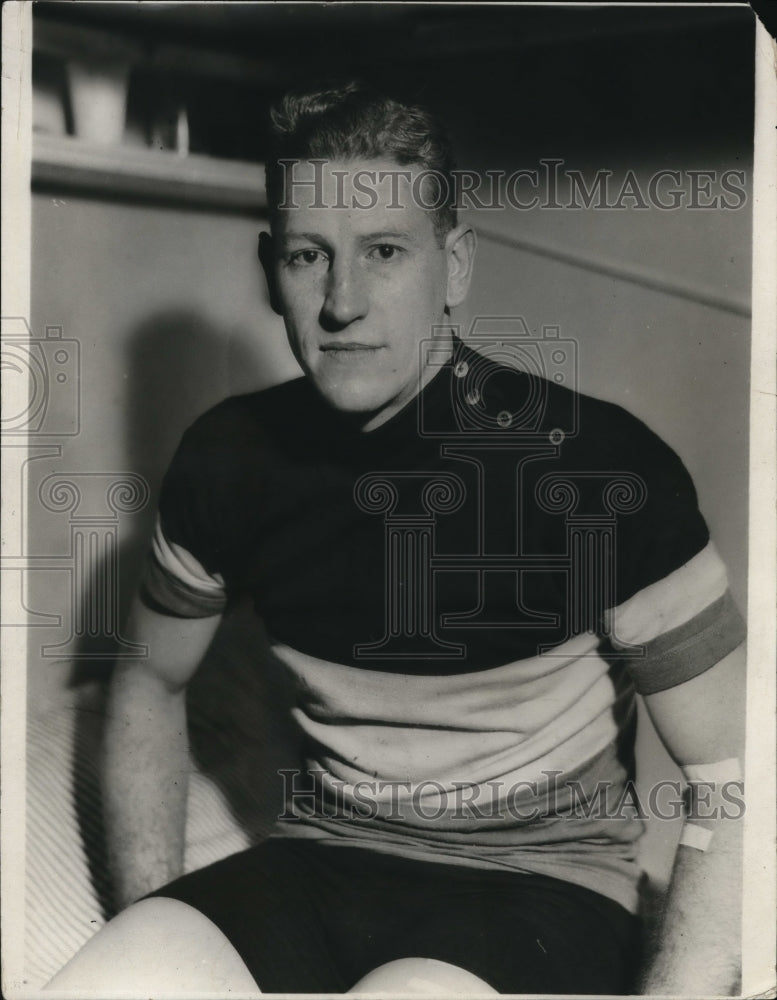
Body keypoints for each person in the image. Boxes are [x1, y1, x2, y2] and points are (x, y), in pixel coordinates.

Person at [46, 82, 747, 996]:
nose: (343, 302)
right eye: (308, 256)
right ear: (269, 271)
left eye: (383, 252)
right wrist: (150, 901)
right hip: (320, 862)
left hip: (539, 887)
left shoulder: (598, 466)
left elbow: (733, 778)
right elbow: (147, 675)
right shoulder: (229, 458)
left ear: (452, 266)